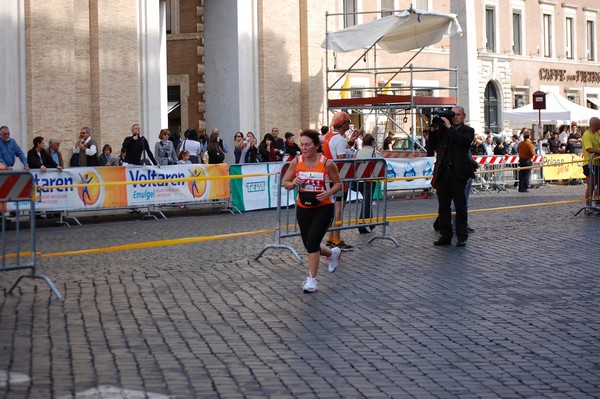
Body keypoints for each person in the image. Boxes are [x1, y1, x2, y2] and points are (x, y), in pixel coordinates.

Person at [282, 129, 343, 293]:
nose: (304, 148)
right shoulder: (296, 162)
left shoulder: (327, 163)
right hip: (303, 207)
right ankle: (333, 253)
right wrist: (293, 182)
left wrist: (328, 193)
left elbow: (338, 183)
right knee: (310, 244)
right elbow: (285, 183)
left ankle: (312, 280)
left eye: (307, 144)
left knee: (312, 243)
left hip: (323, 208)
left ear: (316, 146)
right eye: (302, 144)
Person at [429, 105, 475, 247]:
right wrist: (433, 129)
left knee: (460, 206)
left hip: (458, 174)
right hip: (443, 173)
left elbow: (463, 142)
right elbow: (431, 146)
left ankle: (461, 236)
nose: (455, 117)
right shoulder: (443, 130)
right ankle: (445, 235)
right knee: (443, 207)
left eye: (458, 114)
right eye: (453, 114)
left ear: (464, 116)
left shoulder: (468, 131)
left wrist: (449, 127)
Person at [322, 111, 353, 250]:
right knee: (339, 209)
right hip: (338, 177)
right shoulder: (339, 139)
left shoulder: (329, 136)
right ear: (343, 123)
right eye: (348, 122)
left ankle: (331, 237)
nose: (349, 124)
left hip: (329, 177)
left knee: (334, 208)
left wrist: (350, 143)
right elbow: (341, 158)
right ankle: (337, 239)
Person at [354, 133, 381, 234]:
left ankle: (371, 223)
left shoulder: (358, 152)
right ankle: (361, 224)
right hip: (370, 181)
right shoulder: (375, 152)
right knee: (367, 202)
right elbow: (380, 165)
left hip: (359, 181)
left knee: (367, 200)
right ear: (372, 142)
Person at [582, 117, 600, 205]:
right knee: (591, 185)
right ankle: (588, 205)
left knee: (599, 184)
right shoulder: (587, 135)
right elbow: (589, 149)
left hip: (598, 163)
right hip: (589, 163)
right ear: (595, 125)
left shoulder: (596, 134)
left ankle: (597, 204)